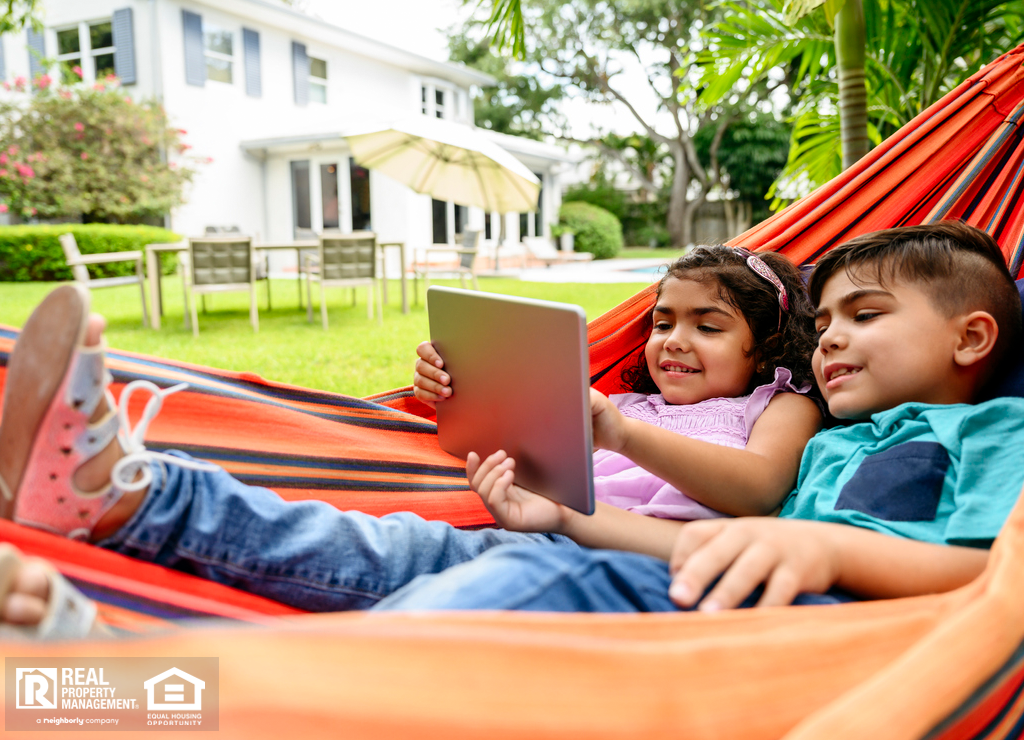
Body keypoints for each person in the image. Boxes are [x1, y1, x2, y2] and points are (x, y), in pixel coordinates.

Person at [0, 246, 821, 631]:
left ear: (764, 346)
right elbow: (519, 444)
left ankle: (118, 658)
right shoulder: (629, 400)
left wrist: (613, 433)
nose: (673, 340)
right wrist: (450, 391)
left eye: (707, 327)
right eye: (664, 322)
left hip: (624, 573)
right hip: (519, 529)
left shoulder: (780, 404)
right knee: (344, 542)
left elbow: (758, 492)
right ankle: (131, 493)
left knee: (402, 614)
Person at [375, 222, 1024, 613]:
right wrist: (565, 515)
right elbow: (714, 547)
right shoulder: (834, 446)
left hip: (823, 630)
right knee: (430, 547)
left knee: (527, 576)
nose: (827, 338)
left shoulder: (993, 431)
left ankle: (298, 684)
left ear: (970, 339)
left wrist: (829, 549)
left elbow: (1002, 576)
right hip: (720, 592)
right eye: (822, 322)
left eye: (866, 315)